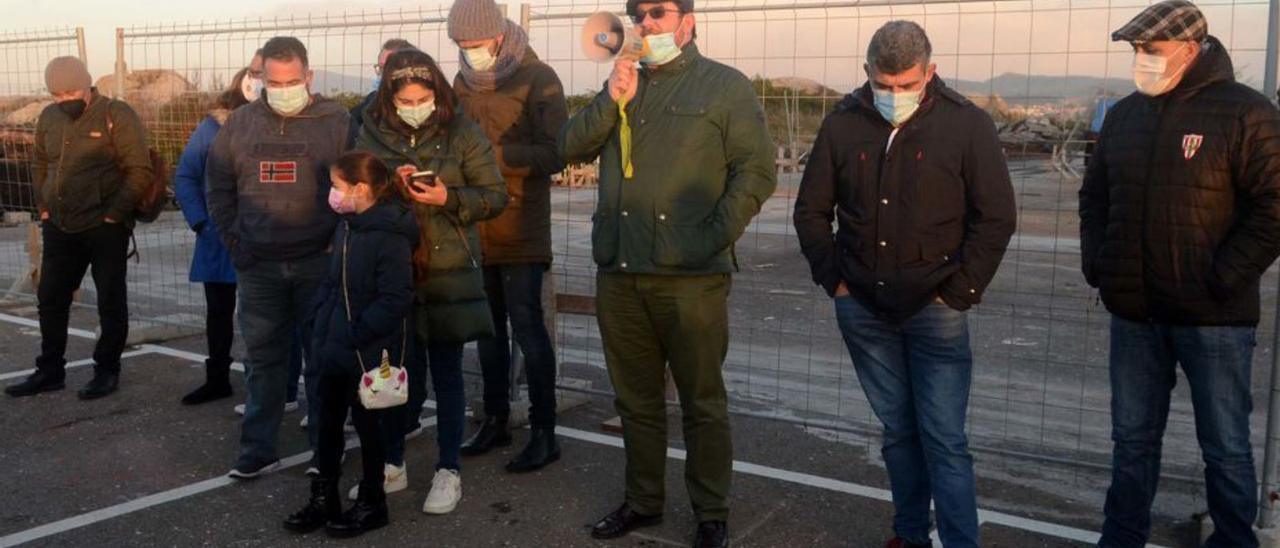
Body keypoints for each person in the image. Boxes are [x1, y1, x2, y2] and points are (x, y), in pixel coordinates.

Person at [559, 0, 776, 544]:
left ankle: (711, 512)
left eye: (658, 12)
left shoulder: (725, 87)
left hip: (691, 278)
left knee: (702, 401)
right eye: (638, 14)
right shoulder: (623, 84)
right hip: (621, 271)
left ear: (688, 20)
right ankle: (643, 500)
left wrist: (710, 237)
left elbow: (756, 172)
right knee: (635, 400)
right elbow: (567, 147)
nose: (646, 23)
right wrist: (611, 98)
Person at [793, 20, 1016, 548]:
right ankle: (910, 533)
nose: (895, 94)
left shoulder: (966, 126)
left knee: (944, 439)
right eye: (885, 84)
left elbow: (996, 217)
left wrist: (958, 293)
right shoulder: (842, 124)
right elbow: (810, 212)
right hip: (864, 308)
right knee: (899, 433)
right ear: (868, 72)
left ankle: (961, 541)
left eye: (907, 84)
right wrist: (837, 283)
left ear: (930, 72)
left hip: (936, 308)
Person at [1079, 2, 1280, 547]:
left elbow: (1273, 209)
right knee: (1132, 440)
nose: (1140, 60)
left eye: (1151, 50)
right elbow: (1093, 197)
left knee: (1225, 445)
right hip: (1135, 314)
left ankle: (1234, 540)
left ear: (1191, 50)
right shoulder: (1124, 115)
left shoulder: (1246, 113)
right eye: (1136, 50)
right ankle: (1121, 538)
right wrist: (1098, 264)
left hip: (1214, 319)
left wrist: (1220, 279)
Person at [353, 47, 507, 515]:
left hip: (449, 269)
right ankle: (392, 462)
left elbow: (494, 195)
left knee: (446, 370)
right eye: (406, 99)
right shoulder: (371, 131)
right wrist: (387, 189)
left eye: (422, 97)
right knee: (392, 371)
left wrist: (449, 197)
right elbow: (355, 192)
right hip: (393, 270)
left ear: (436, 93)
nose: (414, 106)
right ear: (390, 98)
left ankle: (448, 469)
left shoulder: (461, 131)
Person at [206, 36, 350, 479]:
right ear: (260, 77)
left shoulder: (338, 122)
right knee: (263, 360)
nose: (283, 88)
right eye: (273, 81)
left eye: (292, 80)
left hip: (317, 264)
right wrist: (237, 245)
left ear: (308, 76)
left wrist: (336, 244)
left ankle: (326, 447)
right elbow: (219, 187)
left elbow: (358, 189)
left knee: (322, 359)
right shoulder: (240, 124)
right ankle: (258, 448)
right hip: (259, 267)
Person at [448, 0, 569, 472]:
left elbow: (556, 151)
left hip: (521, 224)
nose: (468, 52)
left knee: (528, 327)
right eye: (460, 45)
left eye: (474, 44)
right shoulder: (462, 79)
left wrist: (488, 157)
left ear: (498, 36)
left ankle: (544, 431)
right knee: (487, 329)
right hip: (475, 224)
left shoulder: (538, 78)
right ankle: (495, 418)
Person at [282, 150, 417, 539]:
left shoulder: (388, 235)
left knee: (369, 426)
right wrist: (319, 321)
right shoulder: (346, 226)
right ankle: (325, 496)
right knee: (326, 422)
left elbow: (396, 298)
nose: (332, 193)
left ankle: (373, 501)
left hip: (367, 350)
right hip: (333, 344)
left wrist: (355, 333)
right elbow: (332, 281)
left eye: (337, 186)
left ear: (360, 188)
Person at [5, 57, 152, 400]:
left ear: (86, 85)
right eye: (57, 94)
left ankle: (106, 371)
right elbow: (40, 162)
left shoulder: (117, 114)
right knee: (50, 299)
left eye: (71, 91)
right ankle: (49, 371)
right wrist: (43, 207)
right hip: (59, 225)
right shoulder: (49, 117)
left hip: (105, 227)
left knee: (110, 302)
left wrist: (114, 215)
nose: (64, 99)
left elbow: (139, 169)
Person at [348, 38, 416, 147]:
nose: (382, 74)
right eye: (380, 67)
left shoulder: (428, 109)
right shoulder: (370, 105)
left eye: (388, 67)